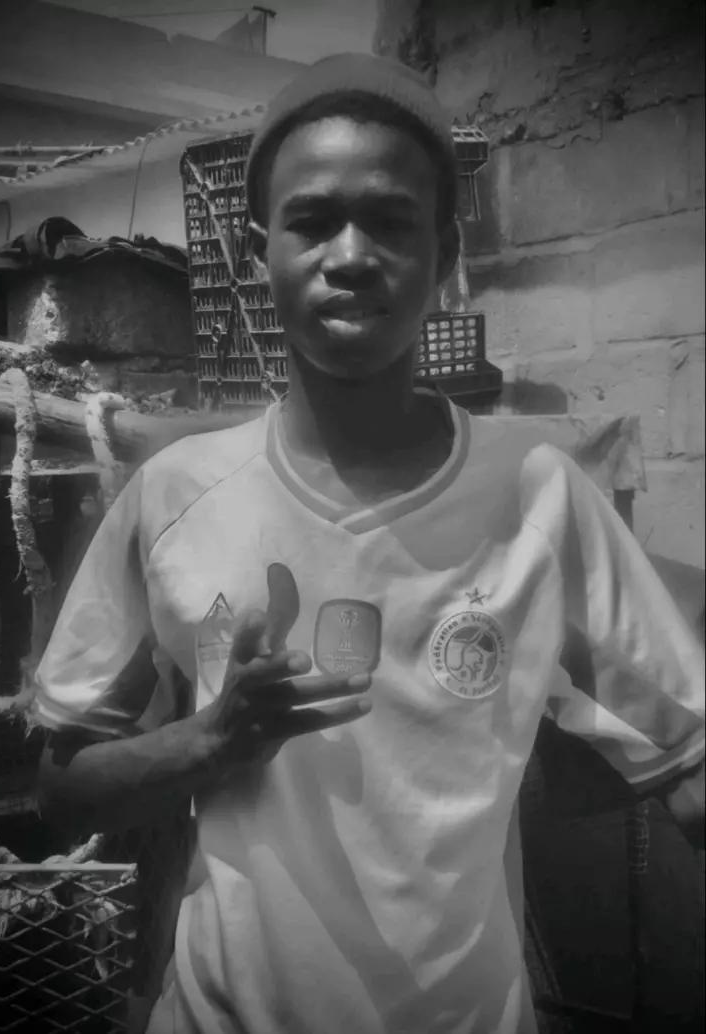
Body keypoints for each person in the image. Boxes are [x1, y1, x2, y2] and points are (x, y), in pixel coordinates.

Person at [35, 53, 704, 1034]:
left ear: (444, 249)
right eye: (312, 221)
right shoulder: (175, 495)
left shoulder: (538, 495)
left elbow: (685, 759)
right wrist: (212, 739)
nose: (350, 254)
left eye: (390, 221)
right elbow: (59, 792)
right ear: (256, 252)